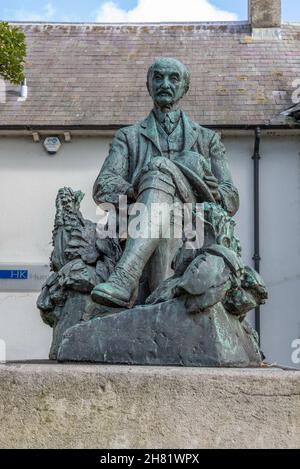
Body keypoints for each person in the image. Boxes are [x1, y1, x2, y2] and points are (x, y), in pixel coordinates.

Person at [91, 57, 239, 308]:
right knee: (159, 180)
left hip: (194, 222)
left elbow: (231, 197)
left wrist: (214, 192)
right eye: (158, 77)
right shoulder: (128, 137)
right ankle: (159, 308)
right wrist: (140, 188)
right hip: (143, 220)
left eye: (174, 78)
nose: (165, 84)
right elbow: (103, 186)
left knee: (160, 166)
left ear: (185, 87)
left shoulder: (208, 139)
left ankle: (125, 278)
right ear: (148, 85)